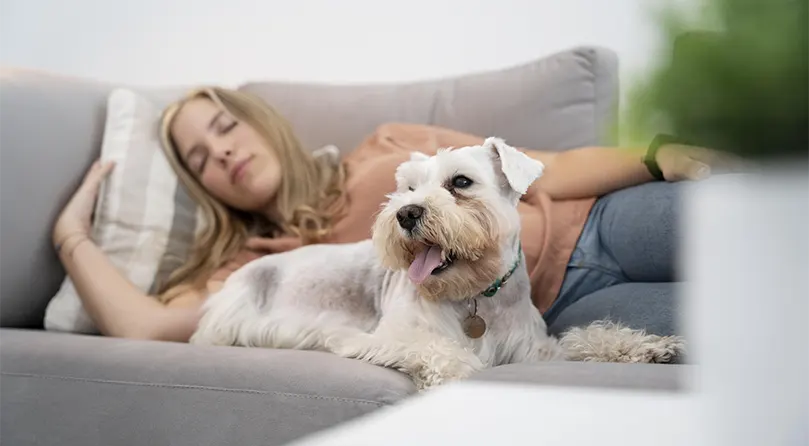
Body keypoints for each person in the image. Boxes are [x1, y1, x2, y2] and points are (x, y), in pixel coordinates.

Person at [51, 86, 742, 342]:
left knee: (766, 237)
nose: (220, 152)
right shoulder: (264, 270)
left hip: (596, 218)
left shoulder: (383, 147)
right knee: (754, 322)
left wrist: (658, 155)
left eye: (224, 127)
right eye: (197, 158)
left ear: (257, 120)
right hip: (558, 305)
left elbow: (548, 167)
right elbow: (141, 328)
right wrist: (71, 237)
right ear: (199, 187)